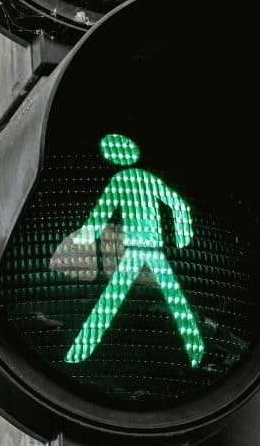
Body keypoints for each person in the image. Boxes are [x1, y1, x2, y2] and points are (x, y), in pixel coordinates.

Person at [64, 133, 205, 368]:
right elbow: (178, 204)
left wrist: (86, 237)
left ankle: (81, 350)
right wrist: (182, 235)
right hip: (152, 247)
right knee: (175, 300)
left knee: (112, 298)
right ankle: (196, 349)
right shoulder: (148, 178)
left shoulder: (121, 180)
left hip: (138, 249)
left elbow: (102, 212)